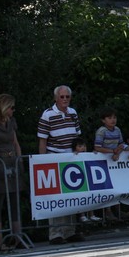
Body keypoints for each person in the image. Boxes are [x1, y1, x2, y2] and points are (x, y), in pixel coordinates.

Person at [37, 85, 82, 244]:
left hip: (71, 159)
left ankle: (70, 231)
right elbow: (42, 140)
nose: (65, 99)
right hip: (54, 158)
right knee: (56, 197)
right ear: (56, 98)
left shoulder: (73, 113)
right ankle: (55, 233)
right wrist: (42, 161)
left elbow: (77, 136)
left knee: (71, 196)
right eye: (62, 97)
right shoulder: (47, 115)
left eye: (67, 97)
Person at [0, 94, 24, 245]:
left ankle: (17, 238)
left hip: (12, 161)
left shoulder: (11, 121)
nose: (13, 110)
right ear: (4, 107)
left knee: (15, 201)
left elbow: (15, 142)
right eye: (11, 107)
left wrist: (20, 159)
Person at [71, 137, 102, 224]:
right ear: (75, 148)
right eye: (80, 146)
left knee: (90, 196)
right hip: (79, 179)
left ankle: (92, 215)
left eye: (84, 146)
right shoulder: (73, 155)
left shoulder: (88, 155)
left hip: (88, 178)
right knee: (81, 197)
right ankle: (82, 215)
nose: (83, 148)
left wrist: (94, 154)